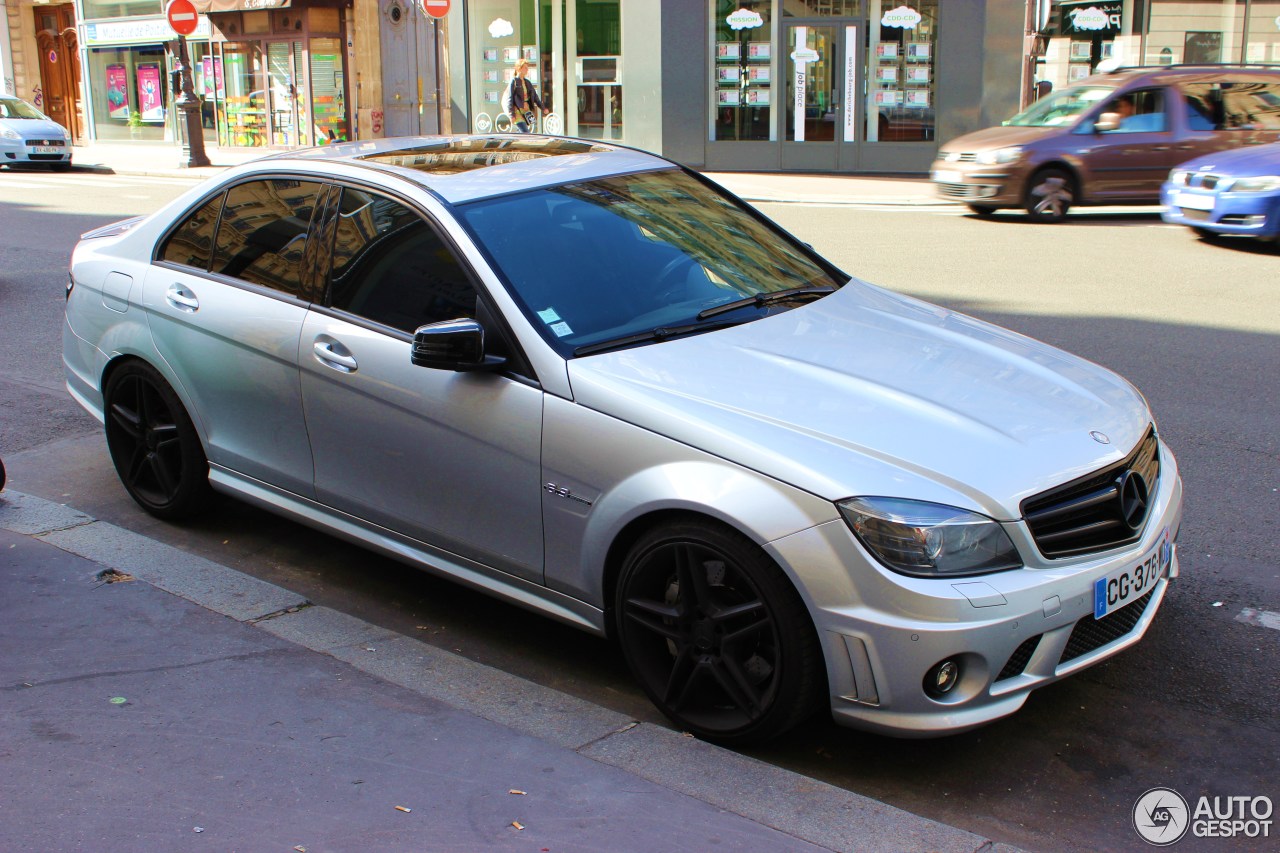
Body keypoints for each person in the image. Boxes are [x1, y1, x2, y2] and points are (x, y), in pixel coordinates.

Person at [507, 58, 548, 133]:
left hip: (526, 112)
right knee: (525, 132)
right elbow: (510, 99)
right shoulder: (514, 81)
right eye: (525, 68)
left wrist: (543, 108)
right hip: (518, 112)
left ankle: (514, 143)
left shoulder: (527, 82)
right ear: (519, 68)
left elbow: (535, 97)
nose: (527, 70)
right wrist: (511, 115)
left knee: (521, 132)